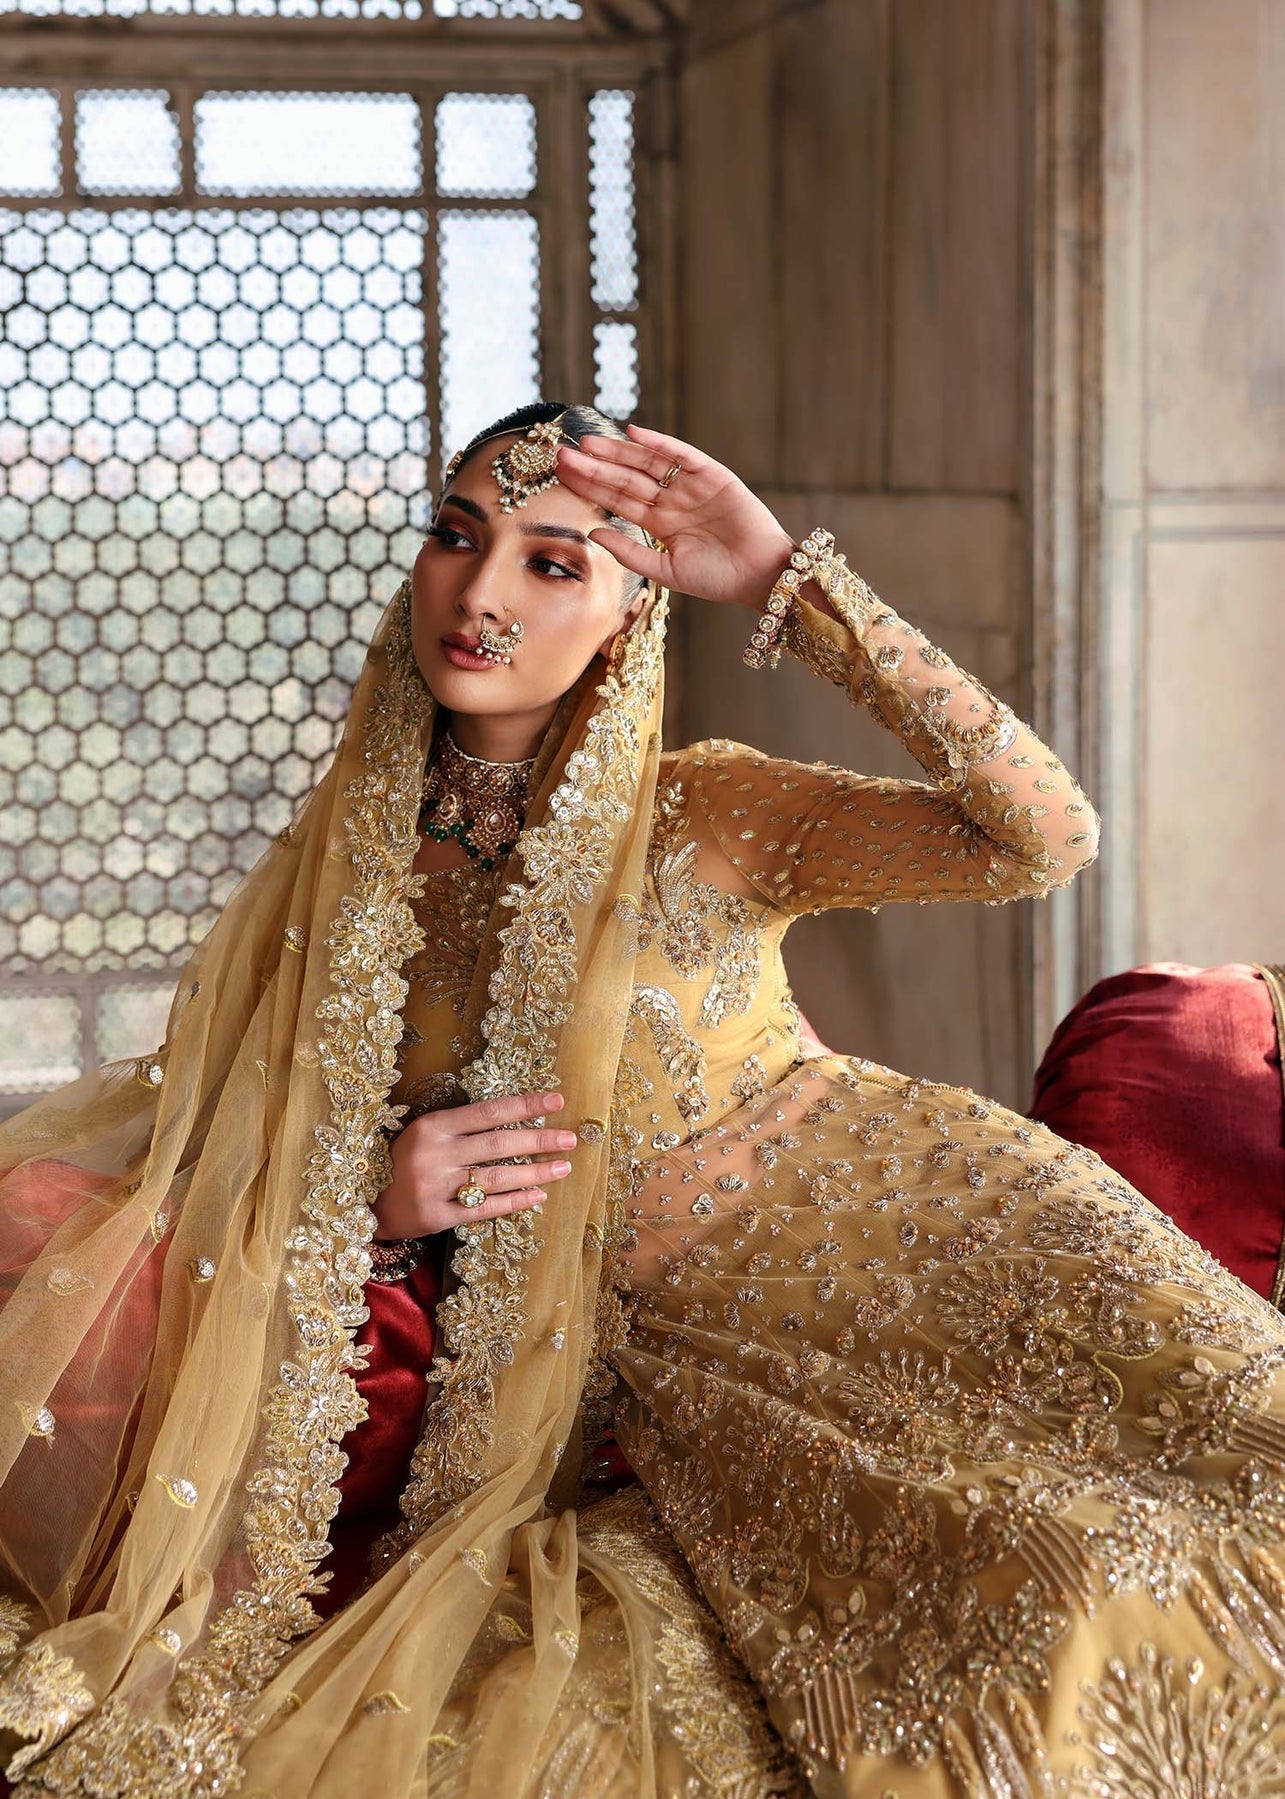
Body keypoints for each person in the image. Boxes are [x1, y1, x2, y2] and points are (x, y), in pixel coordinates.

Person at [2, 400, 1284, 1799]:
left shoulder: (706, 817)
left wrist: (787, 580)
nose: (481, 594)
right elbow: (227, 1120)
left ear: (629, 613)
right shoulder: (349, 874)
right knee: (1051, 1607)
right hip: (712, 1357)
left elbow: (1039, 836)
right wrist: (377, 1193)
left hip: (955, 1232)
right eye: (456, 537)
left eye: (553, 564)